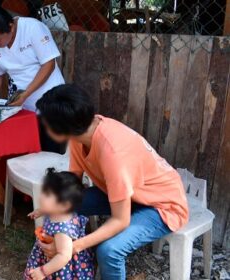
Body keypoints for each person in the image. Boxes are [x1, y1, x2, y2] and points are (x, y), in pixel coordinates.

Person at [34, 84, 189, 280]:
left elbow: (120, 220)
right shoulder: (79, 132)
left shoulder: (113, 153)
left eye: (46, 124)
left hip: (161, 205)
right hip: (124, 194)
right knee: (62, 205)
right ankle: (69, 270)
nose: (45, 128)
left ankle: (69, 257)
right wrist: (52, 207)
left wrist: (74, 246)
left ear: (61, 128)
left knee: (109, 251)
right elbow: (72, 183)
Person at [0, 6, 65, 152]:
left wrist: (26, 93)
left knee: (50, 154)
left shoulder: (32, 28)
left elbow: (48, 64)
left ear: (10, 27)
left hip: (51, 102)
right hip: (22, 108)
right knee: (26, 153)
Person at [25, 168, 94, 280]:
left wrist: (43, 271)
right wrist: (41, 211)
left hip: (60, 268)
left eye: (47, 194)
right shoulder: (59, 210)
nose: (41, 196)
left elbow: (64, 256)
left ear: (64, 205)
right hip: (52, 258)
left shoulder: (63, 230)